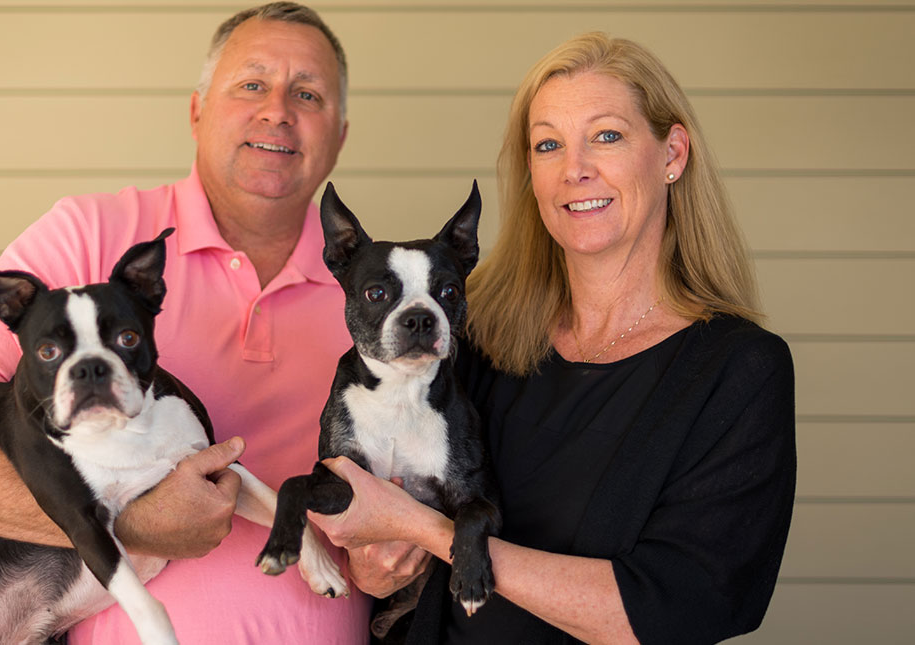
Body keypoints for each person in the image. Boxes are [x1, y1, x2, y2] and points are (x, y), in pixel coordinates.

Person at [0, 3, 373, 643]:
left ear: (339, 134)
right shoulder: (85, 238)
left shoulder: (379, 294)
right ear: (197, 111)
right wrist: (131, 520)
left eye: (307, 94)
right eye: (251, 84)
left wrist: (392, 558)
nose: (277, 109)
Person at [309, 32, 796, 644]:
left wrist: (432, 534)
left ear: (672, 153)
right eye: (548, 145)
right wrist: (375, 566)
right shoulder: (472, 339)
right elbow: (381, 560)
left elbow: (681, 607)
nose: (575, 169)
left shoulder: (738, 371)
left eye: (607, 136)